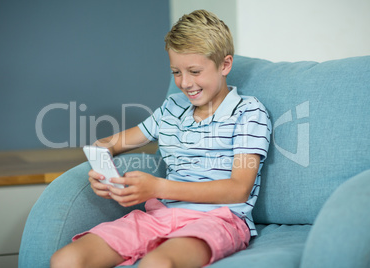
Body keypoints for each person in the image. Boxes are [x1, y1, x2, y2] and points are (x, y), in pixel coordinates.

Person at [51, 9, 271, 268]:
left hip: (220, 219)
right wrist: (102, 173)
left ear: (225, 65)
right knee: (66, 259)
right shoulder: (172, 108)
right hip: (161, 216)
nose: (185, 83)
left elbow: (238, 188)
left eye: (194, 71)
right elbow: (107, 144)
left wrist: (158, 188)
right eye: (176, 72)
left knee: (156, 264)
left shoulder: (248, 112)